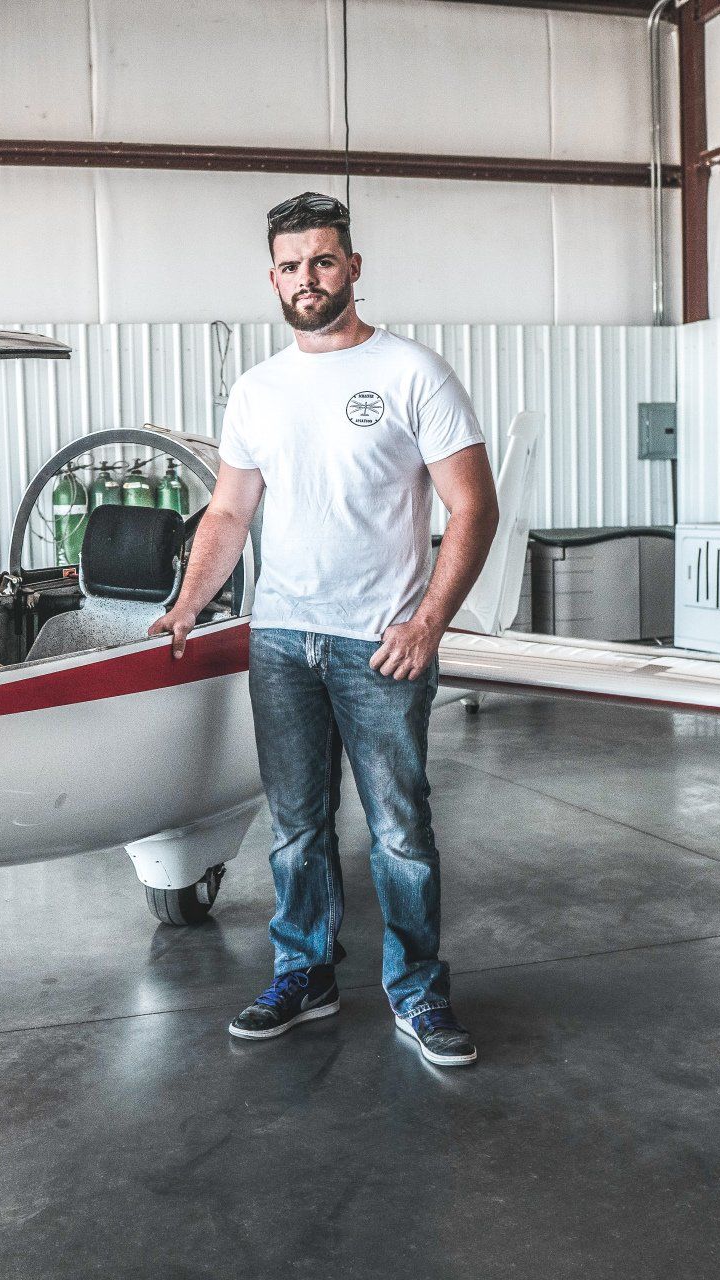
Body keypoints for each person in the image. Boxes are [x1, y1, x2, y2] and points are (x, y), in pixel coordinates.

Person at [148, 192, 499, 1068]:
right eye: (293, 265)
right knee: (297, 828)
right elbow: (229, 511)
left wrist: (429, 623)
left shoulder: (414, 372)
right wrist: (192, 600)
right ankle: (303, 975)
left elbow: (473, 509)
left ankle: (417, 994)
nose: (309, 278)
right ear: (274, 277)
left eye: (324, 260)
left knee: (399, 832)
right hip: (282, 641)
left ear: (352, 266)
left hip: (380, 644)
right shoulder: (259, 389)